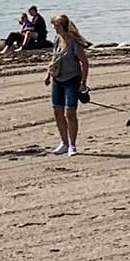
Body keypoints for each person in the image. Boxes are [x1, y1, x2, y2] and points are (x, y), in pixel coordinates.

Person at [43, 13, 90, 155]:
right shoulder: (57, 39)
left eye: (56, 26)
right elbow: (54, 59)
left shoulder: (74, 42)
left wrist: (83, 82)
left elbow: (84, 63)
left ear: (63, 26)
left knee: (70, 112)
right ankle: (64, 143)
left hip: (72, 80)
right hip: (57, 80)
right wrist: (48, 75)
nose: (54, 29)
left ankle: (72, 145)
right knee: (57, 111)